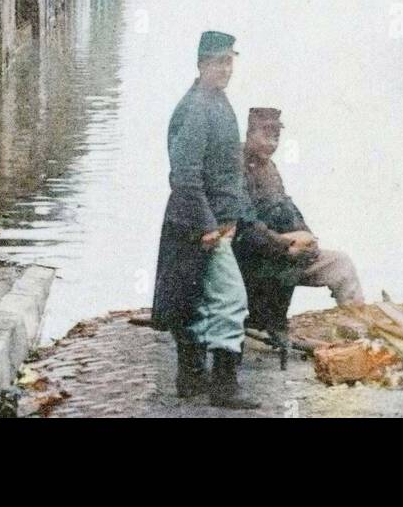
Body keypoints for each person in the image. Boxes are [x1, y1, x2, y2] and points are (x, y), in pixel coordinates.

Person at [151, 31, 260, 409]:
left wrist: (232, 216)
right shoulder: (198, 107)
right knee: (231, 299)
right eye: (218, 62)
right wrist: (209, 225)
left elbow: (225, 171)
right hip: (200, 223)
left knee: (197, 298)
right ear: (201, 65)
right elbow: (184, 174)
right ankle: (224, 386)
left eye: (230, 61)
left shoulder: (215, 100)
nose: (226, 69)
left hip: (206, 220)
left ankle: (191, 377)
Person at [234, 107, 364, 340]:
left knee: (341, 265)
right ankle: (264, 324)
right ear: (250, 133)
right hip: (253, 260)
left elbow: (287, 207)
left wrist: (307, 236)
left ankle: (358, 334)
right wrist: (286, 245)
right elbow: (245, 225)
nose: (272, 143)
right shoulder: (236, 165)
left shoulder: (270, 167)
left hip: (286, 253)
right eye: (266, 135)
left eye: (276, 137)